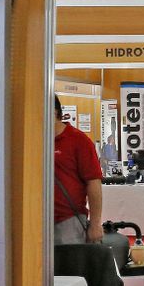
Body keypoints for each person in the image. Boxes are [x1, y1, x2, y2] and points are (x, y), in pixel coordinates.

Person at [54, 95, 104, 244]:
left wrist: (95, 224)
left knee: (69, 266)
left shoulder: (78, 140)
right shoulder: (34, 141)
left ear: (54, 112)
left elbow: (94, 183)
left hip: (68, 220)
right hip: (35, 219)